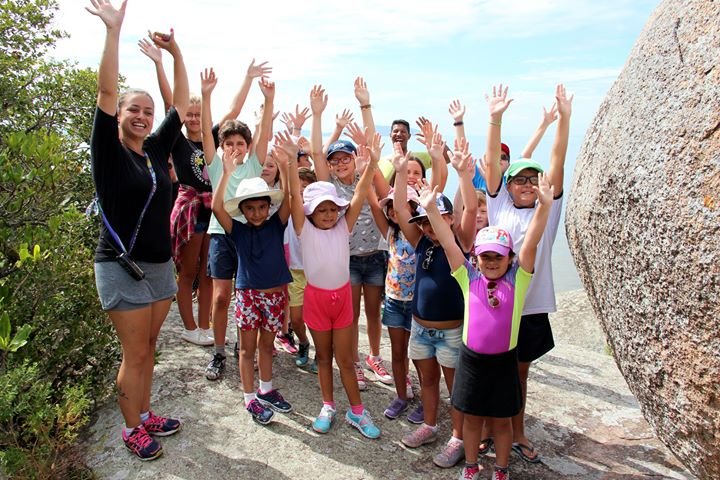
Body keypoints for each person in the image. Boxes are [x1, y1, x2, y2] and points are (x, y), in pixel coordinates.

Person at [87, 0, 188, 461]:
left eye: (148, 111)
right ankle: (131, 429)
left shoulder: (152, 152)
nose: (143, 116)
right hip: (120, 266)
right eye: (134, 109)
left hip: (159, 265)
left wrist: (177, 55)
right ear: (121, 114)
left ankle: (145, 415)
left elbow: (181, 108)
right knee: (136, 353)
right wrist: (114, 31)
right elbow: (106, 93)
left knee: (149, 347)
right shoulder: (109, 153)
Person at [139, 40, 272, 347]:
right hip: (190, 210)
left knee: (208, 273)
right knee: (187, 273)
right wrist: (162, 63)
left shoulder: (213, 139)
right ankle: (189, 327)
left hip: (215, 209)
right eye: (190, 114)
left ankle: (204, 325)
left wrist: (249, 79)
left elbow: (234, 111)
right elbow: (171, 102)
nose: (194, 119)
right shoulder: (177, 141)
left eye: (199, 114)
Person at [420, 172, 553, 480]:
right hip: (472, 361)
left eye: (498, 256)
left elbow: (531, 241)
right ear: (476, 259)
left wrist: (544, 206)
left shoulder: (519, 280)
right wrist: (430, 210)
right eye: (485, 256)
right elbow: (450, 244)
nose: (492, 261)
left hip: (504, 362)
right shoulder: (468, 277)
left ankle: (502, 470)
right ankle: (470, 466)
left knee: (503, 421)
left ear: (509, 259)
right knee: (471, 420)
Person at [482, 83, 572, 464]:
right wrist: (495, 120)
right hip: (496, 305)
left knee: (519, 376)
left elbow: (557, 159)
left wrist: (564, 121)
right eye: (519, 179)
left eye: (533, 180)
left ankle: (517, 432)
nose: (527, 184)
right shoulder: (498, 202)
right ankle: (487, 432)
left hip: (530, 308)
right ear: (508, 186)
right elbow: (492, 158)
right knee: (490, 372)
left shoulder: (546, 211)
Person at [283, 130, 382, 439]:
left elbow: (361, 190)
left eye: (332, 208)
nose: (328, 214)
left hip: (341, 301)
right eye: (321, 209)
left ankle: (356, 410)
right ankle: (328, 405)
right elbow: (294, 198)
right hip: (316, 300)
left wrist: (373, 161)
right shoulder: (304, 228)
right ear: (311, 212)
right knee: (323, 358)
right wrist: (289, 162)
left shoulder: (343, 225)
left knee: (346, 360)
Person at [394, 138, 477, 469]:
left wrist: (461, 176)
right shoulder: (421, 243)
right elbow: (402, 211)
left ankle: (458, 435)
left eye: (436, 219)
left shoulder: (460, 244)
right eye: (426, 222)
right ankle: (430, 425)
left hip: (451, 332)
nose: (429, 227)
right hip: (420, 328)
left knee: (455, 387)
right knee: (428, 381)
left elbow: (469, 208)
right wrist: (401, 175)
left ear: (449, 220)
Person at [309, 81, 392, 390]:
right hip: (348, 260)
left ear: (355, 159)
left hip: (375, 256)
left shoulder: (366, 179)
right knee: (351, 314)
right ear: (329, 166)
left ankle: (373, 356)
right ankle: (354, 361)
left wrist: (365, 106)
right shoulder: (328, 187)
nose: (341, 163)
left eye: (346, 158)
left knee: (373, 312)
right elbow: (316, 151)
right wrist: (318, 115)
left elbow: (372, 148)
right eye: (336, 160)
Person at [200, 68, 275, 381]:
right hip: (220, 235)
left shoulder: (255, 164)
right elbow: (205, 132)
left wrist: (268, 99)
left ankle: (250, 349)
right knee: (221, 297)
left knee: (251, 295)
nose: (235, 148)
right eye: (228, 143)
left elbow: (265, 133)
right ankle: (219, 350)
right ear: (221, 146)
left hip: (249, 235)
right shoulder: (216, 165)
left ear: (247, 145)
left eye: (240, 143)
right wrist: (206, 97)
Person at [211, 142, 293, 425]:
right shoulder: (238, 231)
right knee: (246, 350)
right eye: (250, 208)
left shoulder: (276, 224)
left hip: (274, 298)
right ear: (242, 210)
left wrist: (285, 165)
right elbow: (216, 206)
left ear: (269, 206)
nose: (257, 213)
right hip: (248, 296)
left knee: (267, 347)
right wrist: (226, 173)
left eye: (261, 207)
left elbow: (291, 198)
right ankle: (249, 399)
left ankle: (266, 389)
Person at [284, 167, 318, 371]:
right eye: (298, 186)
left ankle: (321, 354)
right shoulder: (287, 209)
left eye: (306, 186)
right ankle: (303, 342)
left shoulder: (317, 212)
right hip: (294, 271)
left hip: (315, 272)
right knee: (296, 319)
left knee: (316, 319)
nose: (302, 191)